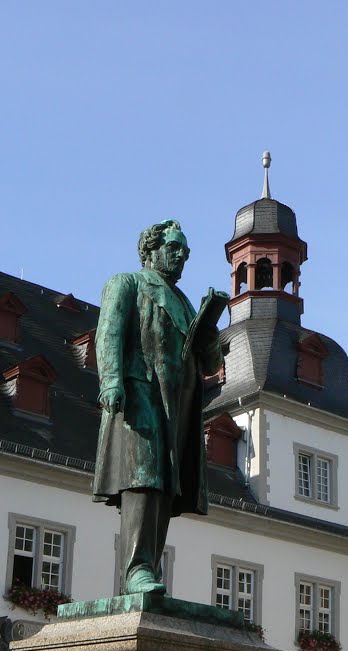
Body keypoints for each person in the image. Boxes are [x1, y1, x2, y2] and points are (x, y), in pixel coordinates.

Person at [92, 220, 225, 594]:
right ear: (150, 250)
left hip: (178, 402)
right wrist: (112, 381)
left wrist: (210, 330)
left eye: (185, 251)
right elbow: (109, 333)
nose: (181, 255)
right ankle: (136, 569)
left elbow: (210, 363)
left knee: (165, 485)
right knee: (144, 477)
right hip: (142, 391)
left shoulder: (184, 303)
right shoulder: (127, 283)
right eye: (174, 247)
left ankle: (149, 565)